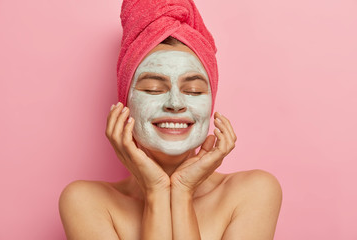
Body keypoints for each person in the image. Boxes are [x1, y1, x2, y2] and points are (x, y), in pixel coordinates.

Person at [59, 1, 282, 239]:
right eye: (154, 89)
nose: (175, 103)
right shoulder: (86, 201)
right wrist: (156, 190)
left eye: (194, 90)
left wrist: (182, 191)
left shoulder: (254, 191)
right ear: (126, 104)